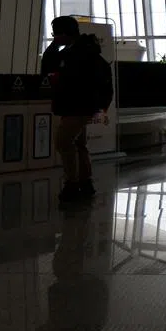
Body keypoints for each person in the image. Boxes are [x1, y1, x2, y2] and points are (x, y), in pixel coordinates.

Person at [41, 16, 114, 202]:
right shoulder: (81, 50)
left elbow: (50, 67)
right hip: (79, 105)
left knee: (63, 142)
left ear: (63, 34)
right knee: (79, 144)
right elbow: (49, 65)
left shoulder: (79, 53)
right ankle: (85, 182)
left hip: (78, 106)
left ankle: (72, 185)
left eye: (55, 34)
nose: (54, 38)